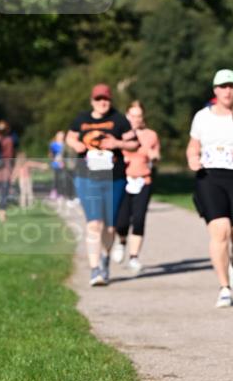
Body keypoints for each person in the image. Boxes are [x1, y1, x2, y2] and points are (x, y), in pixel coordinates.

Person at [187, 70, 233, 307]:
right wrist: (192, 160)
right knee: (220, 232)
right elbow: (192, 146)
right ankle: (224, 287)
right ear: (215, 90)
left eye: (231, 86)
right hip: (210, 177)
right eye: (222, 87)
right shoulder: (202, 117)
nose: (227, 91)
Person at [65, 84, 137, 286]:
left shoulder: (119, 119)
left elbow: (134, 143)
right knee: (94, 224)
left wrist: (117, 144)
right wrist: (75, 144)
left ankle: (105, 259)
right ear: (92, 101)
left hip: (114, 178)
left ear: (110, 100)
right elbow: (70, 136)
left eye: (105, 99)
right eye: (98, 99)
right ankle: (95, 269)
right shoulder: (82, 119)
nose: (102, 103)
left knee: (110, 226)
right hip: (87, 177)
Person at [112, 101, 161, 273]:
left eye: (139, 116)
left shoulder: (151, 135)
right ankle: (121, 241)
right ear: (127, 116)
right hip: (123, 180)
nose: (135, 119)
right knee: (122, 221)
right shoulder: (119, 134)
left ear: (143, 117)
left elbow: (155, 154)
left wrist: (154, 157)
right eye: (132, 115)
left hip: (143, 180)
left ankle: (134, 257)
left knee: (139, 219)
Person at [48, 131, 66, 199]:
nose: (61, 137)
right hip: (55, 164)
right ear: (57, 136)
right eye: (60, 135)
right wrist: (53, 159)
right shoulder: (53, 144)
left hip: (64, 164)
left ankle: (61, 193)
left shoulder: (65, 144)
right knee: (56, 178)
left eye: (62, 135)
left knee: (62, 179)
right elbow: (50, 154)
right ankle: (54, 192)